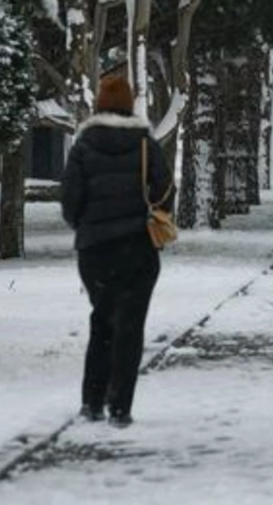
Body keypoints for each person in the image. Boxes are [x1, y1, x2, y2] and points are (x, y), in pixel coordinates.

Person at [61, 76, 173, 428]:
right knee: (130, 326)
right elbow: (166, 189)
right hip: (139, 247)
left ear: (98, 106)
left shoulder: (82, 147)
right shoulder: (145, 144)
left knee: (102, 320)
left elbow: (69, 201)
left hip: (95, 251)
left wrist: (87, 225)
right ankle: (120, 407)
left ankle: (92, 402)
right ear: (130, 105)